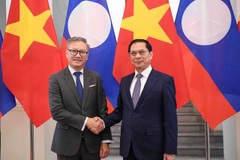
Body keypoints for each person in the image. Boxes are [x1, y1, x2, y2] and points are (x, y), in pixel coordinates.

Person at [93, 39, 178, 160]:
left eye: (142, 52)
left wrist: (170, 150)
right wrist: (103, 123)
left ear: (151, 54)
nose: (137, 56)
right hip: (129, 147)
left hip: (153, 148)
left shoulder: (165, 81)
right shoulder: (125, 81)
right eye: (133, 53)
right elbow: (121, 110)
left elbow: (170, 118)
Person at [48, 37, 112, 160]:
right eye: (74, 51)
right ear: (67, 53)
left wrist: (105, 140)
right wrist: (87, 121)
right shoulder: (56, 79)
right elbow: (57, 112)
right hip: (66, 143)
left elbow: (102, 110)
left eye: (82, 52)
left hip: (93, 143)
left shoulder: (95, 77)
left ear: (87, 55)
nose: (78, 55)